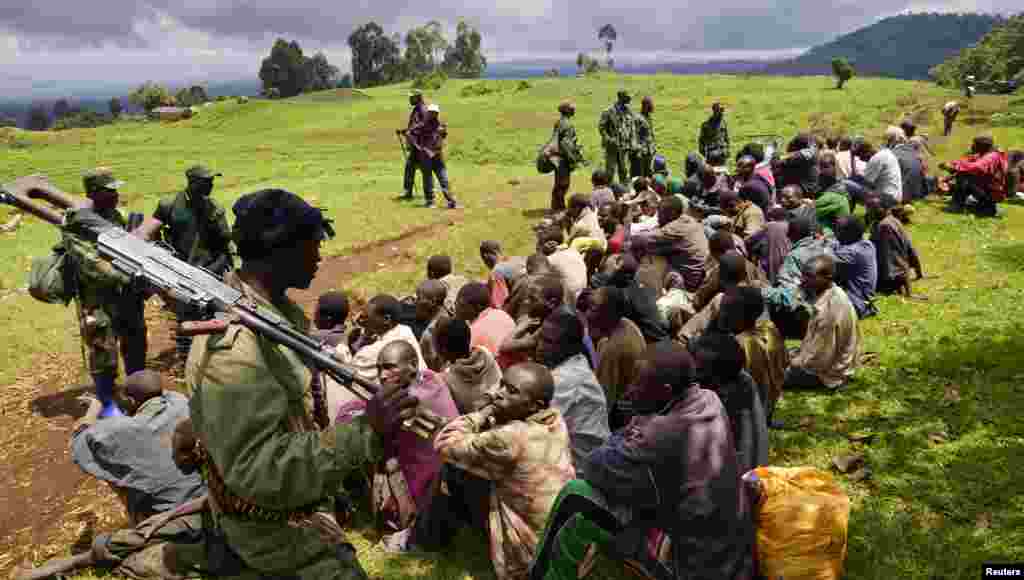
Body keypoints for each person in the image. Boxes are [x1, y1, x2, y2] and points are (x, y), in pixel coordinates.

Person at [186, 187, 419, 580]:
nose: (319, 256)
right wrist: (365, 430)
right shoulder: (235, 351)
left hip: (299, 503)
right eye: (312, 246)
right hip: (269, 526)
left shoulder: (278, 315)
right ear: (281, 250)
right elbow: (257, 470)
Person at [529, 342, 755, 580]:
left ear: (666, 391)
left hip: (688, 566)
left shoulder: (658, 434)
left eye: (638, 384)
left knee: (576, 497)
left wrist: (637, 423)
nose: (629, 391)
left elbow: (593, 466)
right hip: (734, 558)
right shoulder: (709, 400)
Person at [422, 363, 575, 580]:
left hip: (530, 557)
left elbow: (445, 444)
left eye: (511, 391)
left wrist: (484, 412)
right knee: (473, 466)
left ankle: (427, 539)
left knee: (453, 468)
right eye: (502, 384)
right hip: (561, 540)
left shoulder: (509, 439)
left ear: (534, 405)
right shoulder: (554, 420)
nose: (498, 393)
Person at [13, 418, 210, 580]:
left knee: (137, 559)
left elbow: (136, 536)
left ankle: (45, 572)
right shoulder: (210, 469)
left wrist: (166, 519)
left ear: (192, 455)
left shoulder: (214, 483)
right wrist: (169, 515)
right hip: (195, 519)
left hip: (209, 538)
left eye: (176, 453)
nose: (172, 458)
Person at [335, 341, 459, 535]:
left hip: (427, 499)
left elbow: (362, 421)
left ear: (412, 366)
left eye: (389, 368)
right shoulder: (432, 380)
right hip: (447, 488)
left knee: (360, 442)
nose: (382, 375)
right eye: (379, 369)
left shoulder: (411, 403)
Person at [71, 370, 205, 524]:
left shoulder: (125, 430)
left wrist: (93, 411)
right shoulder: (181, 402)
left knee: (112, 466)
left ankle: (140, 519)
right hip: (204, 496)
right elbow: (163, 394)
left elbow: (79, 444)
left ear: (131, 401)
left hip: (169, 517)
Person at [67, 168, 149, 417]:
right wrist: (134, 274)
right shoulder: (77, 223)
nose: (116, 194)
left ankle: (139, 392)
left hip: (126, 296)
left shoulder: (115, 215)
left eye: (116, 189)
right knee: (104, 350)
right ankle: (106, 401)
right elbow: (93, 264)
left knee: (135, 342)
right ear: (93, 193)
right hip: (98, 300)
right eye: (109, 190)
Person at [144, 164, 233, 364]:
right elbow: (150, 231)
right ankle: (187, 362)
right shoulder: (170, 205)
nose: (211, 185)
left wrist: (216, 273)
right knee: (185, 320)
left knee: (215, 316)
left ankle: (214, 361)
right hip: (179, 272)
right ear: (192, 183)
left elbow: (224, 244)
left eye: (212, 181)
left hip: (211, 270)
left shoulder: (214, 208)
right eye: (206, 182)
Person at [536, 306, 610, 473]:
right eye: (540, 338)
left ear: (569, 346)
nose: (540, 346)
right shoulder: (573, 362)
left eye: (549, 342)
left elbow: (532, 425)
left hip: (579, 471)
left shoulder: (568, 379)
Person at [691, 332, 769, 475]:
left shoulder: (742, 385)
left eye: (700, 371)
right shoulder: (688, 385)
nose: (695, 375)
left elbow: (752, 444)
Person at [783, 255, 860, 391]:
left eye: (809, 276)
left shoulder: (829, 311)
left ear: (828, 278)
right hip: (826, 361)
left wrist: (792, 362)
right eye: (803, 275)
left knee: (771, 374)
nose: (803, 280)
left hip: (827, 375)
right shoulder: (832, 291)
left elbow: (819, 360)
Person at [718, 287, 788, 423]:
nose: (721, 315)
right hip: (768, 408)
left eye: (725, 311)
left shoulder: (737, 344)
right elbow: (785, 362)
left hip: (748, 416)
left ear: (736, 315)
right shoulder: (770, 329)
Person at [585, 285, 647, 424]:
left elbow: (603, 400)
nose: (587, 314)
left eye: (593, 309)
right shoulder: (627, 324)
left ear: (608, 314)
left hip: (626, 414)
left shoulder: (613, 349)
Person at [633, 195, 710, 294]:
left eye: (660, 214)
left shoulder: (676, 228)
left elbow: (641, 239)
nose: (658, 218)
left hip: (687, 284)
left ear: (672, 213)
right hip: (697, 277)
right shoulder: (688, 220)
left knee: (650, 259)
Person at [345, 294, 427, 382]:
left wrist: (344, 342)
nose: (361, 320)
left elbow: (347, 370)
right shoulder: (405, 330)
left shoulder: (372, 352)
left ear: (386, 319)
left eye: (366, 316)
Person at [437, 317, 502, 414]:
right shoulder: (484, 352)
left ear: (443, 350)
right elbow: (499, 381)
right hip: (498, 407)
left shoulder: (445, 378)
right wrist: (489, 397)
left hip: (476, 419)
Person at [500, 275, 565, 369]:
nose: (526, 302)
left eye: (533, 299)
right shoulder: (557, 313)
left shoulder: (553, 325)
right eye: (528, 297)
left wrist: (521, 327)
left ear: (552, 303)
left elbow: (504, 346)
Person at [941, 134, 1009, 217]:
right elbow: (966, 162)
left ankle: (957, 206)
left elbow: (975, 167)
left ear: (982, 146)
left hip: (991, 193)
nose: (972, 146)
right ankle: (983, 206)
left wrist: (955, 167)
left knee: (964, 176)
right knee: (963, 173)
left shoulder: (992, 157)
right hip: (986, 189)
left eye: (975, 144)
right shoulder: (985, 153)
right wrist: (951, 168)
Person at [868, 195, 923, 297]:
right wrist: (919, 272)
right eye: (869, 208)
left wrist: (907, 291)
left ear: (885, 209)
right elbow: (910, 249)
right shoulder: (892, 220)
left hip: (890, 279)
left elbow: (892, 259)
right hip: (896, 276)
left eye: (873, 208)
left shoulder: (884, 226)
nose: (870, 211)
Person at [830, 216, 878, 318]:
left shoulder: (850, 253)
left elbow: (824, 258)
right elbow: (835, 244)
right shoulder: (867, 244)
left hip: (856, 303)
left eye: (838, 230)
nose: (834, 233)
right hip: (865, 299)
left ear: (849, 233)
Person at [456, 281, 517, 358]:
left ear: (478, 307)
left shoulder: (472, 333)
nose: (456, 307)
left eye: (461, 305)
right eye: (456, 302)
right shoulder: (501, 313)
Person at [420, 103, 458, 209]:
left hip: (433, 155)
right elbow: (411, 133)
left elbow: (443, 136)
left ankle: (446, 200)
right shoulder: (428, 125)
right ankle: (433, 201)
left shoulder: (435, 125)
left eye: (433, 113)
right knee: (431, 178)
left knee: (439, 178)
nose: (432, 114)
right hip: (430, 154)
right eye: (430, 113)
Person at [550, 100, 586, 212]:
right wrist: (572, 158)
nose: (574, 110)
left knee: (559, 182)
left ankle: (556, 205)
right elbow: (565, 144)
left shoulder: (560, 122)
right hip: (563, 157)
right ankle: (559, 207)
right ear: (568, 111)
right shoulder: (567, 124)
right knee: (563, 183)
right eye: (572, 108)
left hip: (557, 156)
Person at [599, 91, 637, 186]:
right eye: (627, 97)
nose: (629, 99)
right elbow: (601, 127)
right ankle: (607, 192)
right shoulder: (608, 111)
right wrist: (608, 139)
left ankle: (623, 191)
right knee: (610, 172)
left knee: (623, 171)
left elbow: (631, 127)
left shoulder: (629, 111)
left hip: (624, 147)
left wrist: (632, 143)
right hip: (612, 147)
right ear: (620, 98)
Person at [537, 227, 588, 299]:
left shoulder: (550, 260)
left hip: (570, 300)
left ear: (551, 244)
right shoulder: (573, 251)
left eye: (540, 244)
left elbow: (535, 278)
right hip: (582, 293)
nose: (538, 247)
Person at [747, 207, 792, 285]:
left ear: (771, 218)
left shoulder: (769, 226)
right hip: (789, 260)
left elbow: (750, 239)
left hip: (772, 263)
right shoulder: (790, 225)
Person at [856, 133, 904, 203]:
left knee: (848, 186)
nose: (862, 160)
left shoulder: (875, 159)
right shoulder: (886, 153)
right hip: (896, 196)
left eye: (862, 157)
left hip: (887, 196)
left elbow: (866, 184)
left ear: (867, 153)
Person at [413, 279, 449, 371]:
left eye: (419, 298)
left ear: (432, 302)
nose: (415, 302)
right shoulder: (448, 313)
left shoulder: (430, 335)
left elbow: (430, 370)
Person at [399, 89, 429, 200]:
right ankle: (408, 192)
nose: (410, 99)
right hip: (416, 144)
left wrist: (411, 131)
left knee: (425, 169)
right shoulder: (417, 109)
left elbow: (424, 125)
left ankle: (430, 193)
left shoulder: (423, 109)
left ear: (418, 97)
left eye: (412, 97)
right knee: (410, 167)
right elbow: (415, 126)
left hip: (421, 145)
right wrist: (405, 131)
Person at [815, 151, 852, 236]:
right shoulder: (821, 180)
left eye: (826, 166)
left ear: (834, 167)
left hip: (833, 229)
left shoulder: (839, 189)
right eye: (821, 166)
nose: (822, 170)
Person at [632, 96, 656, 178]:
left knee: (648, 175)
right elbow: (634, 135)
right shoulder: (638, 118)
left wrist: (653, 147)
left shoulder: (648, 117)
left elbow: (650, 134)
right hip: (641, 153)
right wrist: (638, 150)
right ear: (645, 105)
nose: (652, 106)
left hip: (649, 151)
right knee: (640, 176)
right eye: (650, 104)